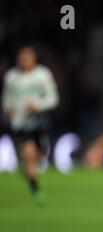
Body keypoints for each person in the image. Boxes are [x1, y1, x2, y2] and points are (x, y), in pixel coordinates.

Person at [1, 46, 59, 205]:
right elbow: (7, 99)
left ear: (34, 58)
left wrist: (38, 105)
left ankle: (28, 172)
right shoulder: (11, 77)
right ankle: (36, 190)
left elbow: (53, 98)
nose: (24, 60)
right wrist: (7, 109)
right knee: (28, 154)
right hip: (20, 124)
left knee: (38, 157)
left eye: (27, 57)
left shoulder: (42, 75)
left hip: (40, 122)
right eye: (22, 57)